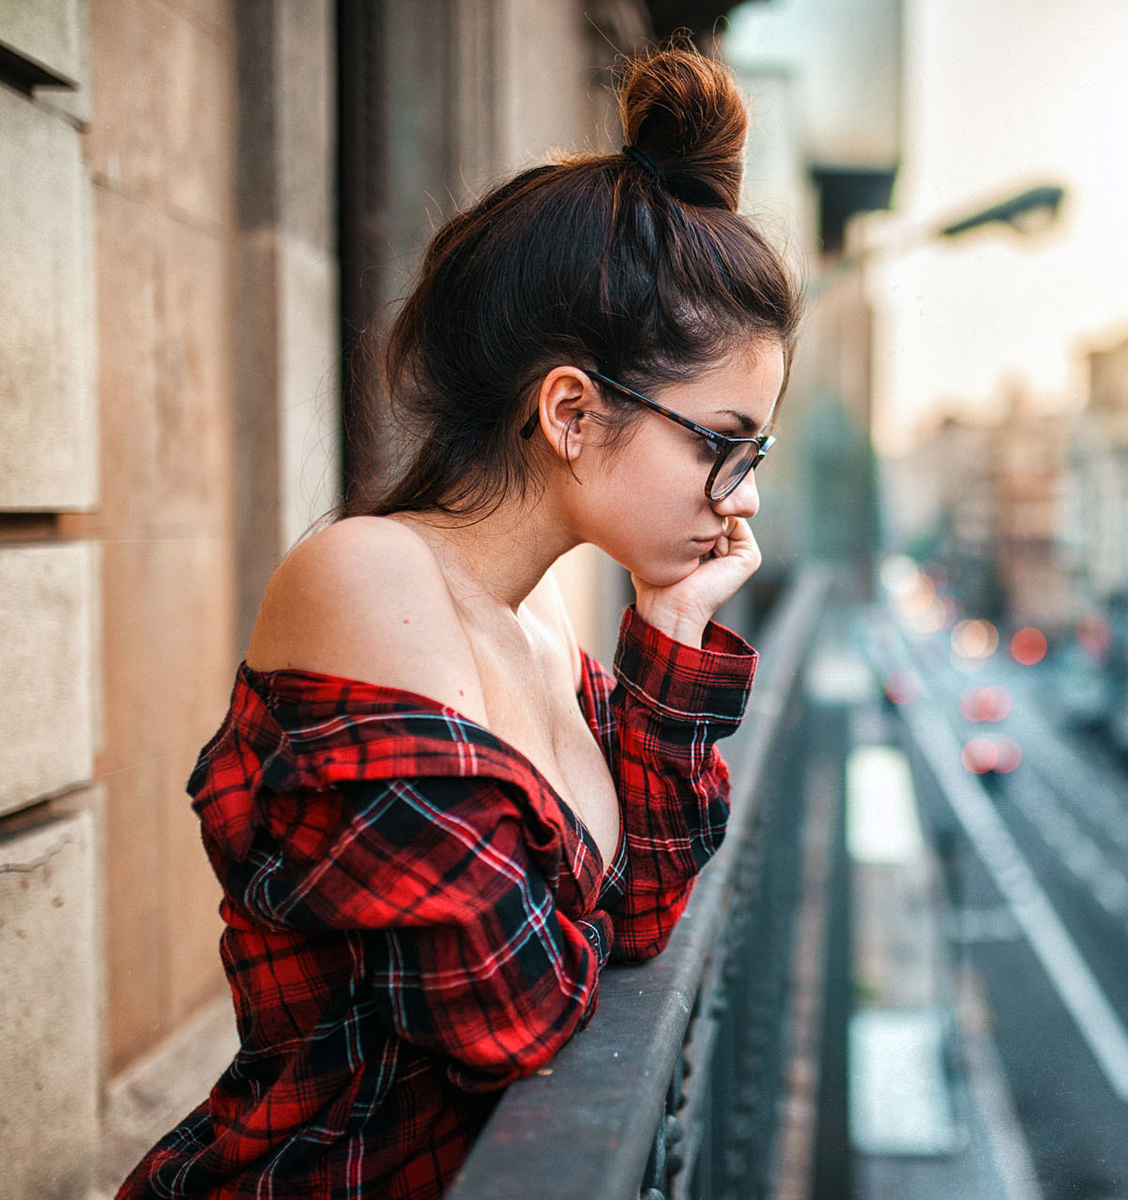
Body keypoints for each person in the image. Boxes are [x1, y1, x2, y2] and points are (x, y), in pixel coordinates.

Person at [118, 43, 799, 1200]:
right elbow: (510, 1015)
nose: (738, 498)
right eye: (720, 444)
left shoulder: (538, 624)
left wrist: (674, 639)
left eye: (755, 453)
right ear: (574, 410)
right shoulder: (365, 581)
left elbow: (638, 914)